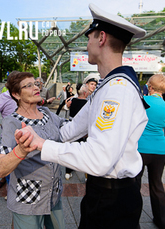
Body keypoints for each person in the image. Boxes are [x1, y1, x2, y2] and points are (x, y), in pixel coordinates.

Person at [15, 4, 148, 229]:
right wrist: (33, 128)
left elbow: (98, 158)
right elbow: (70, 130)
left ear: (102, 38)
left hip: (113, 198)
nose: (86, 45)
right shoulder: (106, 87)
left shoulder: (118, 89)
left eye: (89, 38)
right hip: (101, 193)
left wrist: (41, 144)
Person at [0, 72, 65, 229]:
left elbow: (71, 129)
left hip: (53, 193)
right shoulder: (12, 121)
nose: (36, 87)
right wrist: (20, 151)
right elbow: (0, 169)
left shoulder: (47, 114)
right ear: (16, 94)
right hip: (29, 197)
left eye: (36, 83)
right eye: (29, 85)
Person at [136, 74, 165, 229]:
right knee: (157, 185)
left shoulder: (142, 102)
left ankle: (133, 221)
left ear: (150, 87)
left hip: (139, 150)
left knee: (135, 184)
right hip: (160, 152)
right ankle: (162, 222)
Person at [64, 83, 89, 180]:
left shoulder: (72, 100)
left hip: (72, 129)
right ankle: (86, 175)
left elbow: (66, 108)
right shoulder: (88, 103)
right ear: (85, 93)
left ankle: (67, 172)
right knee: (85, 152)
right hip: (83, 131)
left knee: (70, 151)